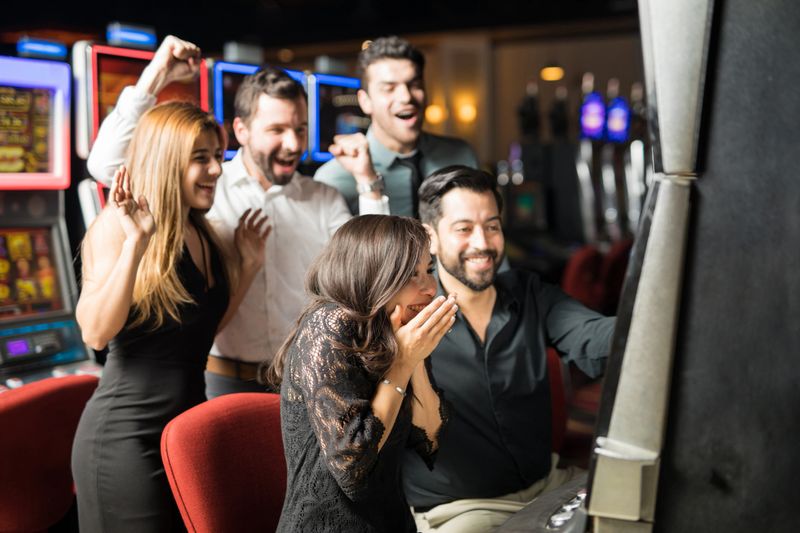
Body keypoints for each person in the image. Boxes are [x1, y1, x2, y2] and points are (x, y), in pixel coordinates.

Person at [87, 36, 388, 399]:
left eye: (300, 129)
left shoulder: (323, 198)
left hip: (309, 381)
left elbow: (372, 273)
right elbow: (105, 166)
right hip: (222, 381)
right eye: (276, 130)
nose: (293, 144)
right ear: (241, 131)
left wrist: (368, 184)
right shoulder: (206, 187)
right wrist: (156, 76)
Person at [72, 102, 269, 531]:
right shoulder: (117, 227)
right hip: (125, 439)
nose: (217, 169)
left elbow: (201, 332)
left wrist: (249, 269)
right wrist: (135, 245)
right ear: (166, 160)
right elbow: (95, 333)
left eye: (218, 155)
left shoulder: (203, 231)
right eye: (201, 158)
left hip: (183, 435)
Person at [404, 165, 616, 532]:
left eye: (492, 226)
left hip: (549, 489)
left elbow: (595, 337)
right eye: (464, 229)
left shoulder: (530, 292)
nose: (483, 243)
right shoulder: (407, 316)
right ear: (431, 238)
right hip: (460, 511)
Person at [266, 215, 456, 532]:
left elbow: (431, 441)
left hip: (393, 522)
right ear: (375, 275)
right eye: (412, 274)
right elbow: (351, 468)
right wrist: (403, 364)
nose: (429, 287)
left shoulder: (401, 333)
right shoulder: (329, 325)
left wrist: (417, 360)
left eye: (429, 270)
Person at [314, 35, 478, 217]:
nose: (406, 97)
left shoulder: (462, 156)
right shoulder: (333, 179)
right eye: (389, 88)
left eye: (414, 84)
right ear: (365, 101)